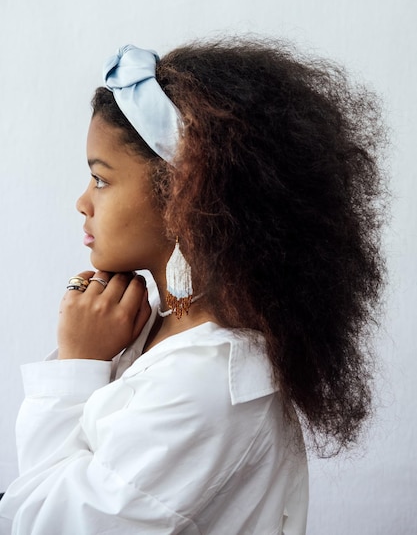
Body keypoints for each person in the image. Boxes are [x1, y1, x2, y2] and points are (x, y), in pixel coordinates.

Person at [0, 39, 386, 534]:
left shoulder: (209, 385)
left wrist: (76, 368)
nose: (83, 202)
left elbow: (47, 525)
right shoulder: (159, 316)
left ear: (183, 195)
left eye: (101, 179)